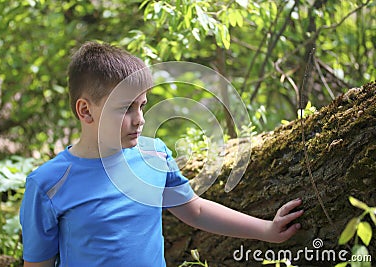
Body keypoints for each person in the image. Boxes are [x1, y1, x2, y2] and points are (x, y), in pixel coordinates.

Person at [20, 41, 303, 267]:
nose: (140, 119)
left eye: (142, 105)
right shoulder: (48, 184)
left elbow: (197, 210)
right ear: (85, 111)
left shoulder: (153, 155)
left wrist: (266, 230)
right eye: (125, 108)